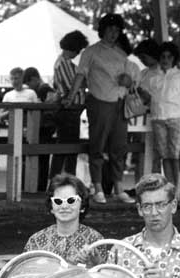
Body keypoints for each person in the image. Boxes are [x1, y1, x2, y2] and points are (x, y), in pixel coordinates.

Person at [65, 13, 137, 205]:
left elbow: (130, 81)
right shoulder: (90, 52)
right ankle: (98, 188)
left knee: (119, 147)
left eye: (117, 30)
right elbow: (80, 75)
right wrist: (71, 96)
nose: (114, 33)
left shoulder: (122, 54)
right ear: (103, 30)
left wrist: (128, 81)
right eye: (110, 29)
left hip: (119, 103)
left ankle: (118, 188)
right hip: (99, 102)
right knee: (97, 145)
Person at [138, 42, 180, 199]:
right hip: (158, 118)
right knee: (165, 155)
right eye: (163, 56)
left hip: (177, 118)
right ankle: (170, 188)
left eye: (169, 57)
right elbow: (145, 95)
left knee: (176, 155)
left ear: (174, 58)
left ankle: (178, 188)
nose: (165, 59)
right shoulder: (152, 76)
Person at [24, 173, 103, 263]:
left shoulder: (95, 239)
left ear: (82, 206)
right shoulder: (36, 241)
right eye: (58, 201)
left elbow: (104, 270)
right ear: (51, 207)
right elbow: (24, 269)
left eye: (71, 200)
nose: (64, 206)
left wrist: (94, 263)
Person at [51, 30, 89, 178]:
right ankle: (65, 179)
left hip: (70, 111)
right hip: (69, 110)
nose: (78, 53)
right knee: (68, 150)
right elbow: (72, 87)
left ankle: (59, 179)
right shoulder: (64, 64)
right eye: (78, 50)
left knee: (64, 149)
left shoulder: (63, 63)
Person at [23, 66, 57, 190]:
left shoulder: (43, 90)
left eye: (29, 83)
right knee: (43, 159)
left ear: (34, 79)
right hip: (47, 128)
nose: (29, 87)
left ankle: (38, 186)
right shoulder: (47, 89)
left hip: (42, 129)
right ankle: (40, 187)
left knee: (40, 159)